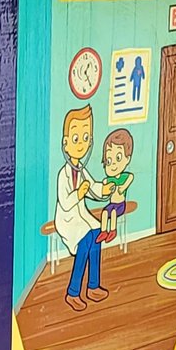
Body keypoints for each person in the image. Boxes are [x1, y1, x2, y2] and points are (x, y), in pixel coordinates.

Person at [53, 106, 108, 312]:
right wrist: (79, 193)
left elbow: (93, 188)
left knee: (97, 234)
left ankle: (93, 286)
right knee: (85, 241)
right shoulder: (63, 174)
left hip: (81, 217)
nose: (81, 144)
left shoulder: (81, 170)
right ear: (65, 143)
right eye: (76, 139)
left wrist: (105, 189)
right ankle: (73, 292)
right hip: (67, 219)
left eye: (86, 138)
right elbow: (65, 203)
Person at [97, 129, 134, 244]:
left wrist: (123, 187)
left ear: (127, 159)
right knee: (104, 212)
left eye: (118, 158)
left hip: (120, 205)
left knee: (113, 213)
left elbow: (131, 177)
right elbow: (104, 185)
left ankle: (113, 231)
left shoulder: (123, 177)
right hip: (111, 203)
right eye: (108, 161)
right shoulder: (110, 179)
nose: (113, 164)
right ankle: (104, 231)